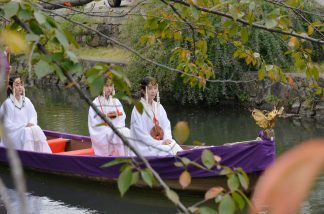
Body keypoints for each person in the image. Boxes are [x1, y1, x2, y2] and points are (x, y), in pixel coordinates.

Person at [130, 76, 183, 156]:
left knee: (173, 145)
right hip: (144, 146)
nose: (153, 91)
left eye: (155, 88)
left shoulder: (159, 106)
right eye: (150, 88)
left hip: (160, 142)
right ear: (143, 90)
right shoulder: (138, 108)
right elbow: (140, 134)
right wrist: (159, 142)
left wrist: (166, 139)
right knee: (167, 149)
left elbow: (166, 126)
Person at [0, 76, 52, 153]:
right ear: (10, 87)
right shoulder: (6, 104)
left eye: (21, 84)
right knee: (27, 131)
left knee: (36, 128)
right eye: (17, 85)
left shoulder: (26, 100)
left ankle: (45, 154)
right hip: (12, 135)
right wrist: (23, 125)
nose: (20, 87)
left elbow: (33, 115)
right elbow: (5, 125)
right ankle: (29, 155)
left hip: (25, 130)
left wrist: (31, 123)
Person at [88, 78, 130, 156]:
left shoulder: (116, 101)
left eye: (111, 86)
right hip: (102, 133)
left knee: (127, 131)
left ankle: (127, 157)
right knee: (117, 134)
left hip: (116, 128)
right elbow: (95, 125)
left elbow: (122, 117)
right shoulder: (95, 104)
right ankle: (120, 157)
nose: (109, 88)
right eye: (106, 86)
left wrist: (115, 126)